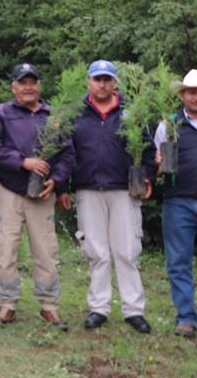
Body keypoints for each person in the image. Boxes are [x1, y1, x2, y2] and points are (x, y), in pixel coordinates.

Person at [58, 60, 152, 334]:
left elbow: (145, 149)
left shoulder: (131, 112)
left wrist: (148, 177)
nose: (102, 84)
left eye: (107, 79)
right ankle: (99, 308)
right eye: (97, 79)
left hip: (124, 189)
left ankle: (133, 310)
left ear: (115, 83)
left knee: (126, 251)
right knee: (96, 251)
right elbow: (64, 153)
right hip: (88, 189)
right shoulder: (75, 114)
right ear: (89, 81)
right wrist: (63, 187)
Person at [0, 63, 74, 330]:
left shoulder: (54, 115)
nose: (28, 87)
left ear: (40, 86)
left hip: (42, 192)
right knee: (5, 247)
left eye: (33, 82)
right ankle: (6, 303)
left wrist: (57, 181)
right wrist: (23, 162)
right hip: (9, 189)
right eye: (23, 82)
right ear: (14, 87)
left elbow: (68, 154)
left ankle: (49, 306)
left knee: (46, 249)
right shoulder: (1, 113)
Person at [155, 68, 197, 338]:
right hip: (178, 203)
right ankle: (186, 318)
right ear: (182, 95)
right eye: (192, 92)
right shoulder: (169, 125)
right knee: (178, 262)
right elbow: (157, 164)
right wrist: (158, 164)